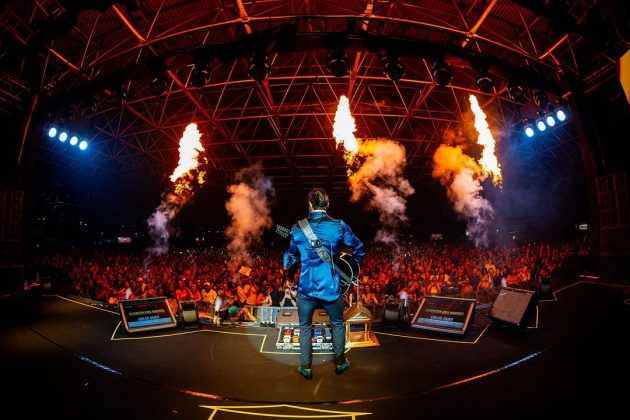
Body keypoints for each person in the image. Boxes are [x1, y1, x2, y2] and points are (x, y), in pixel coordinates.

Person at [283, 188, 366, 380]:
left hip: (306, 289)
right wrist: (352, 262)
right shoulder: (339, 226)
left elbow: (291, 258)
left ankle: (305, 367)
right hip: (331, 287)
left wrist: (287, 260)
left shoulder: (297, 228)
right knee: (337, 324)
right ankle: (341, 363)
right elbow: (359, 248)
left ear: (310, 205)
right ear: (327, 205)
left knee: (304, 327)